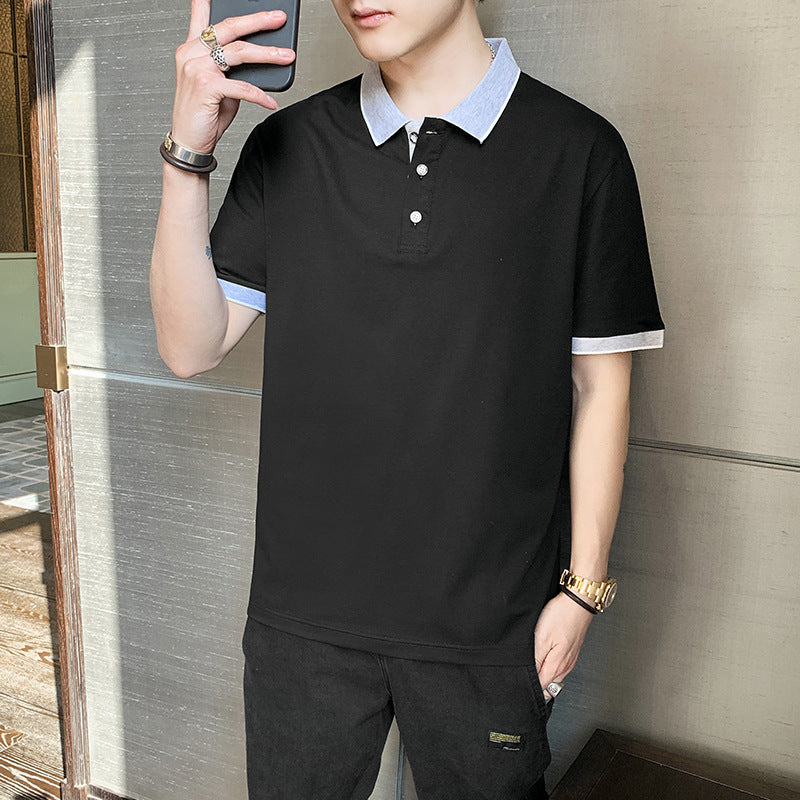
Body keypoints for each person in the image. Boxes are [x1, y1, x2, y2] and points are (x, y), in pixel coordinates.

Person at [150, 0, 665, 798]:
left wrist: (581, 593)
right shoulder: (289, 144)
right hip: (303, 620)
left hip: (492, 625)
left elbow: (601, 388)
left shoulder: (580, 150)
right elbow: (190, 348)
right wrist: (188, 154)